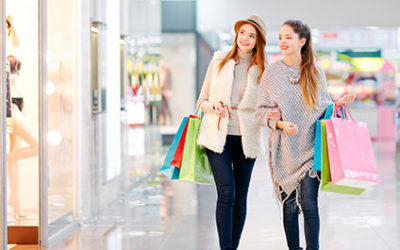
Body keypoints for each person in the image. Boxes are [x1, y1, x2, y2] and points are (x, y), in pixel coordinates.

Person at [256, 20, 355, 250]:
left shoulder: (315, 71)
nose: (282, 42)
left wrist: (339, 103)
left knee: (309, 204)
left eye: (288, 37)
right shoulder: (272, 73)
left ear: (302, 41)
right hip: (284, 151)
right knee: (290, 207)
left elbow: (325, 107)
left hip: (312, 149)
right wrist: (279, 124)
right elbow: (260, 112)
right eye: (280, 37)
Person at [196, 15, 279, 250]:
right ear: (236, 34)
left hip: (247, 138)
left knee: (240, 197)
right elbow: (201, 100)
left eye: (251, 36)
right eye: (242, 32)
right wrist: (214, 107)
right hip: (217, 135)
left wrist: (271, 114)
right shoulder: (219, 60)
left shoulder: (264, 69)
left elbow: (269, 106)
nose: (245, 38)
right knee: (226, 192)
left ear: (257, 41)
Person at [7, 55, 39, 219]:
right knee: (38, 146)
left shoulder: (11, 46)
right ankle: (3, 158)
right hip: (10, 106)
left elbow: (16, 42)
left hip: (18, 106)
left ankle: (15, 200)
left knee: (15, 158)